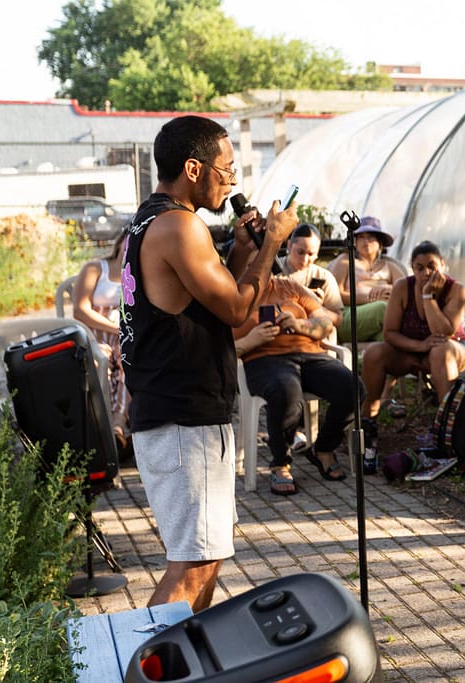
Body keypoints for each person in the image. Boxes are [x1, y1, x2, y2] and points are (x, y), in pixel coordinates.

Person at [119, 115, 297, 611]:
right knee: (193, 565)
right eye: (227, 168)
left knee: (206, 558)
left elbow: (217, 300)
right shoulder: (179, 225)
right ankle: (141, 665)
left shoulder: (152, 218)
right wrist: (274, 244)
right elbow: (241, 310)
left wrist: (242, 251)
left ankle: (183, 665)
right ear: (194, 168)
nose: (233, 180)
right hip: (183, 417)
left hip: (182, 412)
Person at [233, 275, 357, 494]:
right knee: (286, 392)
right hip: (262, 359)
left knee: (353, 389)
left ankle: (323, 448)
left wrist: (299, 324)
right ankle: (280, 462)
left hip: (311, 355)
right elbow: (216, 349)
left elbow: (325, 323)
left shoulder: (290, 287)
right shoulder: (230, 295)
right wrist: (251, 340)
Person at [360, 241, 465, 460]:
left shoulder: (456, 290)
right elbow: (390, 332)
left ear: (442, 264)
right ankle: (368, 424)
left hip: (450, 350)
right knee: (374, 352)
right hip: (411, 349)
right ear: (412, 268)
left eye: (432, 266)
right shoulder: (402, 287)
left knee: (440, 350)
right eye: (419, 268)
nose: (426, 273)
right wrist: (420, 346)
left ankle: (447, 431)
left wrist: (428, 296)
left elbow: (444, 333)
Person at [71, 229, 131, 454]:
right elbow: (80, 310)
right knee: (99, 363)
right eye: (130, 240)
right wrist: (115, 328)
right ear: (119, 244)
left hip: (125, 336)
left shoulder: (139, 273)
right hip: (95, 332)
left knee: (130, 361)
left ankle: (117, 428)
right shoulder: (96, 268)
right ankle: (101, 429)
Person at [327, 215, 406, 344]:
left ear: (380, 243)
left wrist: (388, 288)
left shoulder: (390, 266)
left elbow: (406, 289)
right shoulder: (345, 261)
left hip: (381, 317)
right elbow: (334, 296)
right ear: (354, 242)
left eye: (371, 237)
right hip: (348, 315)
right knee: (382, 308)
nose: (366, 242)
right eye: (361, 237)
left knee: (388, 339)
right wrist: (371, 297)